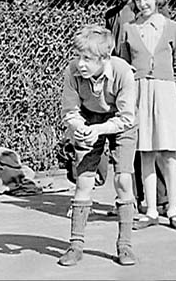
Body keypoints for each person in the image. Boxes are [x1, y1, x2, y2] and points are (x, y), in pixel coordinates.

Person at [58, 25, 137, 267]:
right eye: (78, 56)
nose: (80, 63)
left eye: (87, 59)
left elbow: (127, 118)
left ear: (105, 58)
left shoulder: (123, 72)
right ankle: (76, 245)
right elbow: (69, 111)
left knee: (122, 180)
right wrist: (79, 127)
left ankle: (125, 246)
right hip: (89, 119)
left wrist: (100, 130)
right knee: (84, 181)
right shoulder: (72, 72)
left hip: (121, 123)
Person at [105, 0, 176, 217]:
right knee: (128, 142)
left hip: (152, 86)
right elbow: (115, 52)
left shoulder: (150, 12)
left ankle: (160, 200)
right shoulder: (112, 16)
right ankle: (129, 199)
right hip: (124, 86)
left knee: (154, 144)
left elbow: (167, 48)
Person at [120, 0, 176, 231]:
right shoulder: (130, 30)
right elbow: (125, 67)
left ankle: (172, 208)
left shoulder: (172, 28)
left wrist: (172, 93)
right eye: (137, 0)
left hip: (165, 93)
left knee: (169, 153)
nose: (142, 3)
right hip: (139, 94)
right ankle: (149, 209)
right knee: (145, 152)